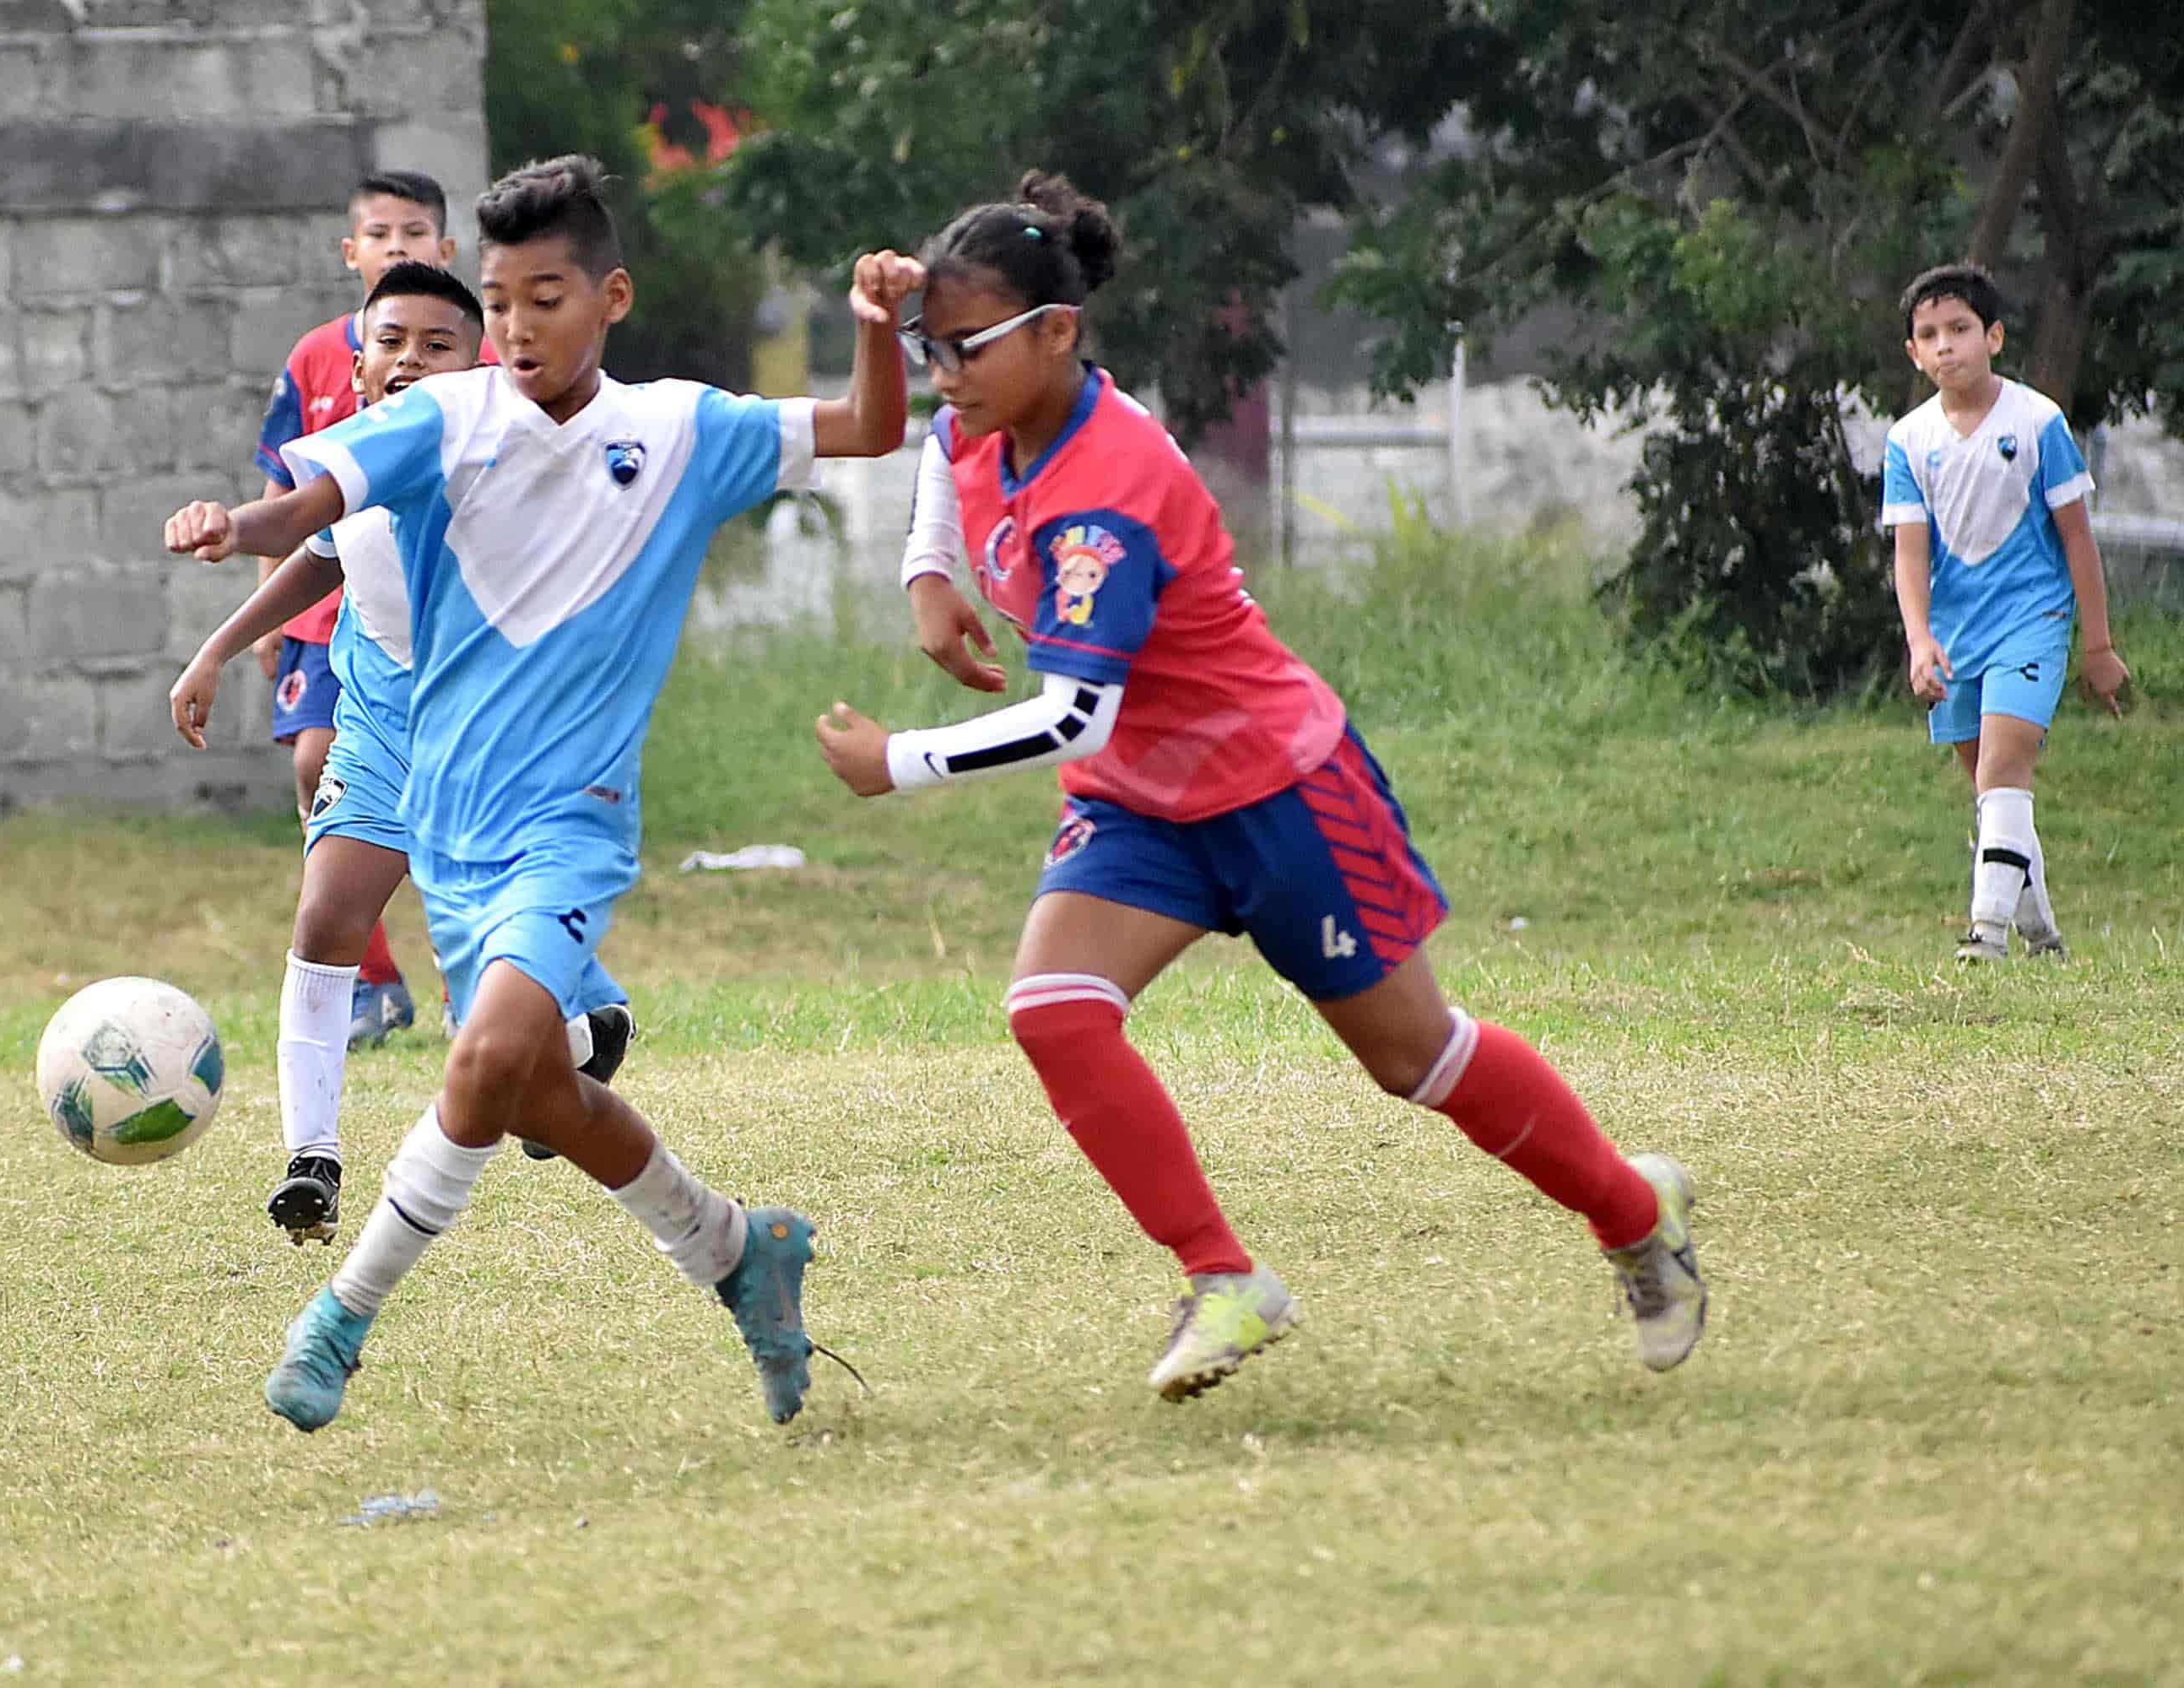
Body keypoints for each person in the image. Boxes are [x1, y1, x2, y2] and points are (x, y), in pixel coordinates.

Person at [814, 172, 1706, 1402]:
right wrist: (929, 574)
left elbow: (1078, 713)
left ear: (1059, 332)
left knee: (1416, 1061)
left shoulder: (1105, 494)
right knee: (1055, 1010)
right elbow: (943, 452)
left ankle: (1630, 1209)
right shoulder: (993, 411)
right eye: (930, 349)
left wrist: (897, 763)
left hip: (1279, 791)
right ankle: (1225, 1279)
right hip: (1139, 804)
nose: (943, 375)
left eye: (964, 348)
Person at [164, 154, 917, 1430]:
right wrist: (232, 528)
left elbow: (868, 428)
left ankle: (340, 1319)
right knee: (540, 1097)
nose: (515, 330)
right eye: (500, 303)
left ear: (611, 298)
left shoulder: (679, 430)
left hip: (569, 826)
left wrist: (873, 329)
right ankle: (740, 1253)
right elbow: (315, 501)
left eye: (544, 300)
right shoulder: (446, 420)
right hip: (446, 833)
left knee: (493, 1055)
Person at [171, 260, 634, 1248]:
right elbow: (313, 543)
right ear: (359, 359)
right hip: (382, 721)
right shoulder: (353, 455)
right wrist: (215, 635)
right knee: (326, 916)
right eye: (391, 342)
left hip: (499, 737)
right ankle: (312, 1158)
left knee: (498, 971)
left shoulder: (512, 459)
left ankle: (589, 1033)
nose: (411, 361)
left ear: (483, 364)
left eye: (438, 344)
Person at [251, 169, 480, 1047]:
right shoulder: (317, 358)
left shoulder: (473, 375)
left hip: (444, 638)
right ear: (352, 253)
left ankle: (486, 980)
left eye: (413, 233)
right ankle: (368, 975)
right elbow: (291, 491)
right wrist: (259, 614)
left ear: (446, 250)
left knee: (457, 815)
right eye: (379, 234)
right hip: (333, 603)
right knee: (317, 764)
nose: (397, 247)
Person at [1881, 262, 2128, 963]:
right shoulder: (1908, 440)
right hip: (1958, 636)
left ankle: (1985, 933)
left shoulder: (2037, 421)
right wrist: (1920, 640)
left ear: (1993, 337)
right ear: (1913, 353)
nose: (1945, 346)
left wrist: (2098, 645)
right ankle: (2041, 934)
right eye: (1928, 335)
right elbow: (1909, 551)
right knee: (1991, 792)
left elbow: (2079, 538)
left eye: (1959, 329)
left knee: (2003, 771)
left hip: (2033, 621)